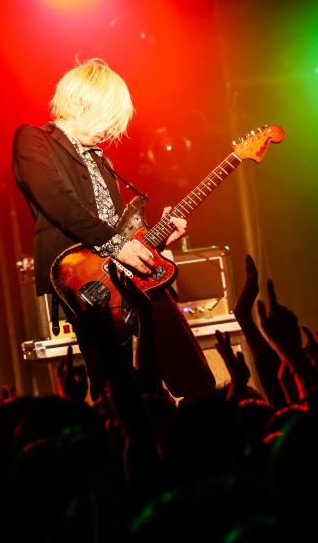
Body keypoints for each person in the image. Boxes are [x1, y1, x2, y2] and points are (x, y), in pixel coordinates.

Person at [12, 58, 215, 400]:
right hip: (86, 280)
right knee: (116, 389)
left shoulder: (101, 160)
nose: (108, 130)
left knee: (193, 376)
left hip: (134, 277)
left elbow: (122, 228)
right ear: (82, 102)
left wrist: (157, 240)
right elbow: (61, 205)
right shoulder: (32, 140)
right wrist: (117, 246)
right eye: (106, 118)